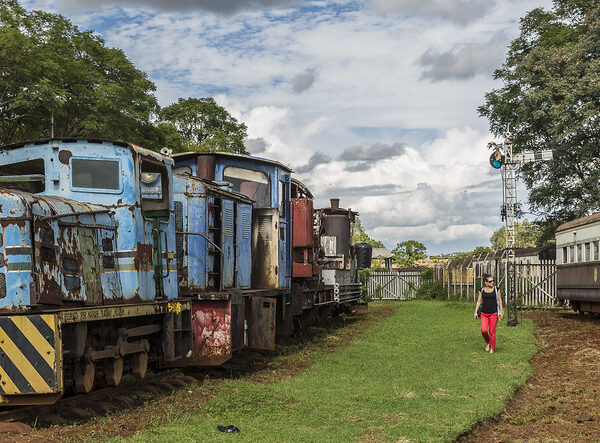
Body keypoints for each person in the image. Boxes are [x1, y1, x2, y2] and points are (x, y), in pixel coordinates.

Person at [473, 274, 503, 353]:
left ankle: (492, 348)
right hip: (484, 314)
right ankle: (488, 342)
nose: (492, 282)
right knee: (484, 330)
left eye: (493, 281)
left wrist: (501, 311)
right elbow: (479, 301)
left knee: (492, 332)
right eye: (490, 281)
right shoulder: (481, 290)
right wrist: (475, 312)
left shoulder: (497, 289)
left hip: (494, 313)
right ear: (485, 282)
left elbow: (500, 300)